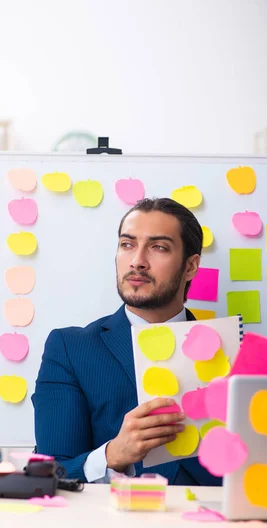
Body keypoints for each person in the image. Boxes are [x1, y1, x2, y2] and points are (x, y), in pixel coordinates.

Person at [32, 198, 221, 486]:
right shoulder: (70, 349)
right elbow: (51, 473)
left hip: (216, 524)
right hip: (112, 524)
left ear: (191, 266)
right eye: (127, 244)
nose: (137, 261)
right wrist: (111, 455)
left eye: (158, 247)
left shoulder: (232, 352)